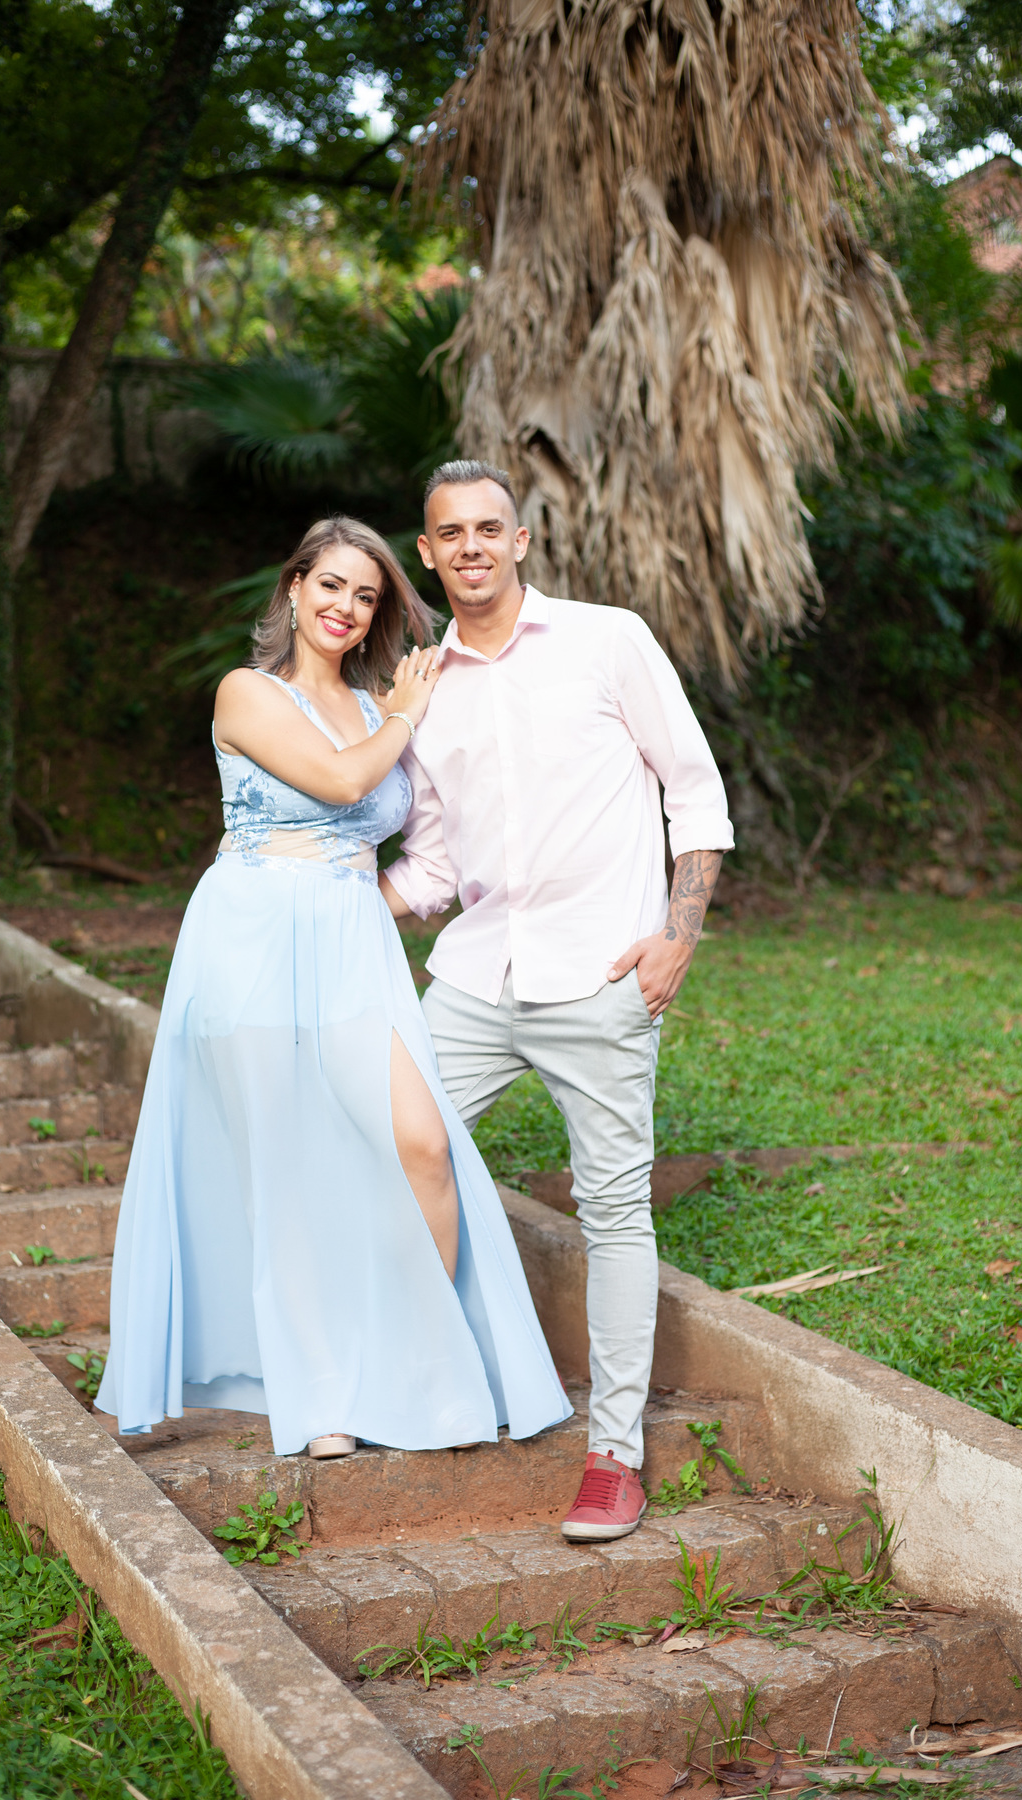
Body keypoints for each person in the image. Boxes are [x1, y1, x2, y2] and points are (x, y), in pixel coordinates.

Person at [97, 516, 571, 1459]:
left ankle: (414, 1369)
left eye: (366, 595)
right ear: (294, 588)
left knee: (422, 1144)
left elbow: (414, 835)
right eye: (331, 586)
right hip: (250, 944)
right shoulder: (248, 693)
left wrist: (371, 894)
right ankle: (323, 1401)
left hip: (352, 944)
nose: (346, 608)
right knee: (285, 1172)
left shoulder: (374, 703)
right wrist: (406, 714)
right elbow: (344, 781)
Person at [380, 462, 733, 1541]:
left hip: (601, 975)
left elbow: (694, 787)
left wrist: (679, 934)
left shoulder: (606, 639)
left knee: (614, 1208)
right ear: (428, 553)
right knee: (388, 1150)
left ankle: (614, 1457)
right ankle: (413, 1377)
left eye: (490, 528)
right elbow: (433, 864)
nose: (472, 547)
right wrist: (321, 895)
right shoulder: (421, 685)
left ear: (521, 539)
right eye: (451, 533)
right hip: (475, 979)